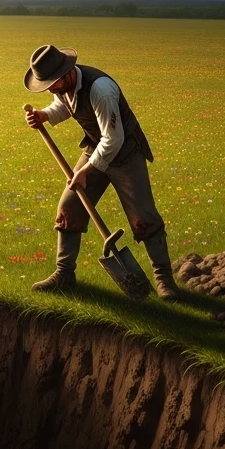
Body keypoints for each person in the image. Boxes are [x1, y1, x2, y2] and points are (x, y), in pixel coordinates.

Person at [23, 43, 180, 299]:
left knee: (143, 217)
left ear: (67, 73)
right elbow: (65, 106)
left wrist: (86, 169)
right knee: (69, 207)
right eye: (47, 85)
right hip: (95, 147)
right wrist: (44, 115)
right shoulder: (63, 86)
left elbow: (113, 139)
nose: (51, 89)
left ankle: (164, 280)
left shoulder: (101, 89)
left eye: (52, 83)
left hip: (125, 152)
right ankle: (64, 274)